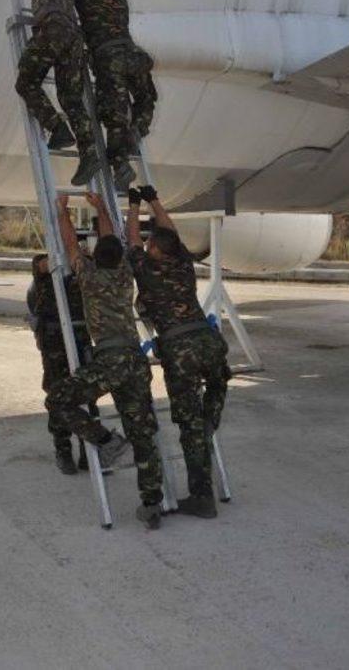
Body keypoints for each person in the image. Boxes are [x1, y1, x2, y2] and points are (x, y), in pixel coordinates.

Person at [46, 192, 164, 529]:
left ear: (95, 256)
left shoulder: (89, 275)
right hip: (134, 358)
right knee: (142, 430)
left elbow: (70, 245)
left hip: (110, 359)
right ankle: (152, 503)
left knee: (58, 399)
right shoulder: (127, 273)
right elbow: (110, 239)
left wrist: (62, 212)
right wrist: (100, 209)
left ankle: (104, 441)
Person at [126, 185, 232, 519]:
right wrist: (154, 200)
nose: (145, 245)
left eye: (149, 244)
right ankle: (207, 424)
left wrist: (132, 207)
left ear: (153, 249)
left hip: (181, 349)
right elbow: (169, 232)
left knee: (189, 426)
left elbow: (132, 239)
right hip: (210, 343)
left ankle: (201, 497)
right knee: (215, 389)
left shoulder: (147, 268)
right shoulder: (182, 263)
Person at [10, 0, 100, 186]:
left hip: (52, 30)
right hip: (74, 39)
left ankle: (57, 128)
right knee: (72, 100)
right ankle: (90, 154)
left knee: (26, 82)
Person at [75, 0, 157, 191]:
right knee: (146, 98)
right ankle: (137, 129)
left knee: (115, 115)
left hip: (109, 59)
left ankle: (120, 165)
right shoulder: (121, 2)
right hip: (133, 56)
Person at [27, 253, 98, 475]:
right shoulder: (45, 266)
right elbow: (41, 265)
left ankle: (90, 452)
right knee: (58, 395)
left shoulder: (82, 267)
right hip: (55, 344)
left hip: (80, 339)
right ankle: (63, 450)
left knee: (87, 395)